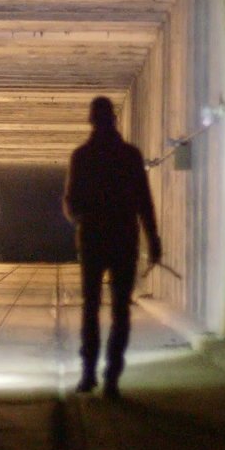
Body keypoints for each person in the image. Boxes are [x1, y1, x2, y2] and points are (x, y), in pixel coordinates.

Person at [62, 96, 161, 399]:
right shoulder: (130, 155)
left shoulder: (82, 155)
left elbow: (70, 200)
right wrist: (153, 239)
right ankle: (112, 378)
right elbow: (144, 201)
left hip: (93, 239)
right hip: (123, 238)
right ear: (114, 120)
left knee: (91, 308)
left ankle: (89, 374)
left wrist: (82, 219)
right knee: (120, 310)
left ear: (91, 120)